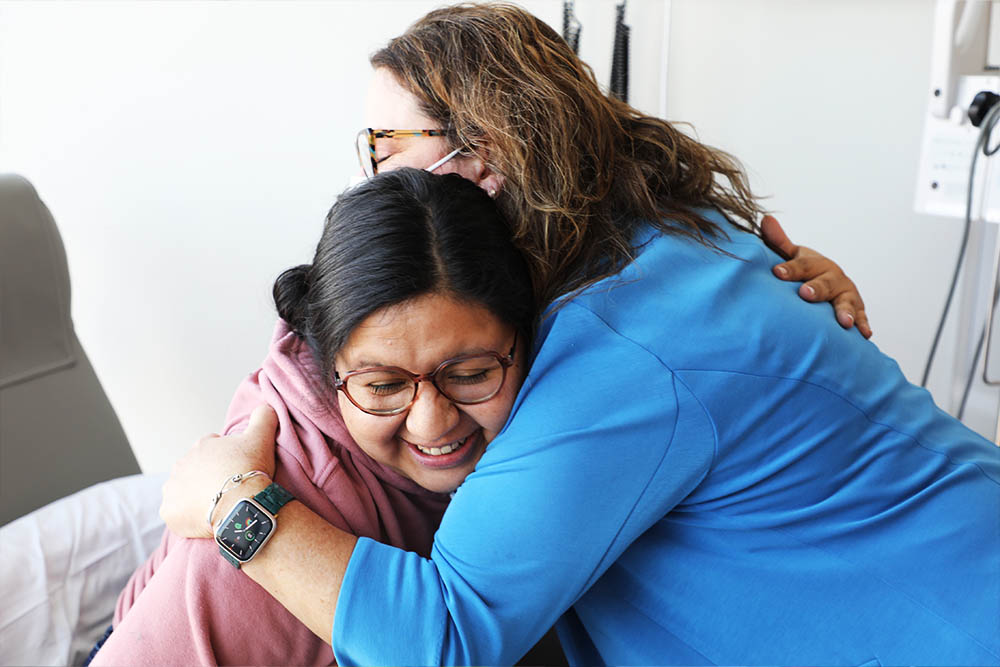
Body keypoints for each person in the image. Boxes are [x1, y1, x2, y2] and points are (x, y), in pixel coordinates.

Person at [160, 4, 1000, 665]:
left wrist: (233, 504)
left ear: (483, 157)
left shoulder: (616, 348)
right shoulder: (679, 237)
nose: (364, 176)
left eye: (384, 145)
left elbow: (444, 640)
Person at [92, 169, 553, 665]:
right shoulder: (292, 488)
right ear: (327, 363)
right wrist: (236, 510)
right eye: (383, 386)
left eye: (469, 373)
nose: (431, 423)